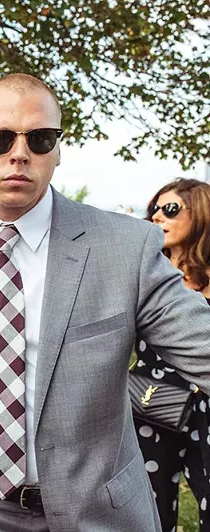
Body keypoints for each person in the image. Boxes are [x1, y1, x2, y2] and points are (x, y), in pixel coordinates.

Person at [0, 73, 210, 531]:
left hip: (96, 515)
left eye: (40, 138)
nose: (19, 152)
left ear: (57, 150)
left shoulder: (125, 247)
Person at [130, 178, 210, 531]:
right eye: (155, 210)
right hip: (151, 408)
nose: (158, 216)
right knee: (151, 507)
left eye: (171, 209)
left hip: (205, 409)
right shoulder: (144, 276)